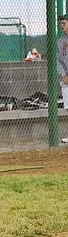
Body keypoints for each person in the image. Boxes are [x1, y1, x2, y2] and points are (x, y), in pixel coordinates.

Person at [57, 15, 68, 143]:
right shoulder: (60, 41)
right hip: (66, 79)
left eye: (64, 23)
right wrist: (64, 74)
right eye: (61, 24)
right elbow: (58, 60)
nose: (61, 26)